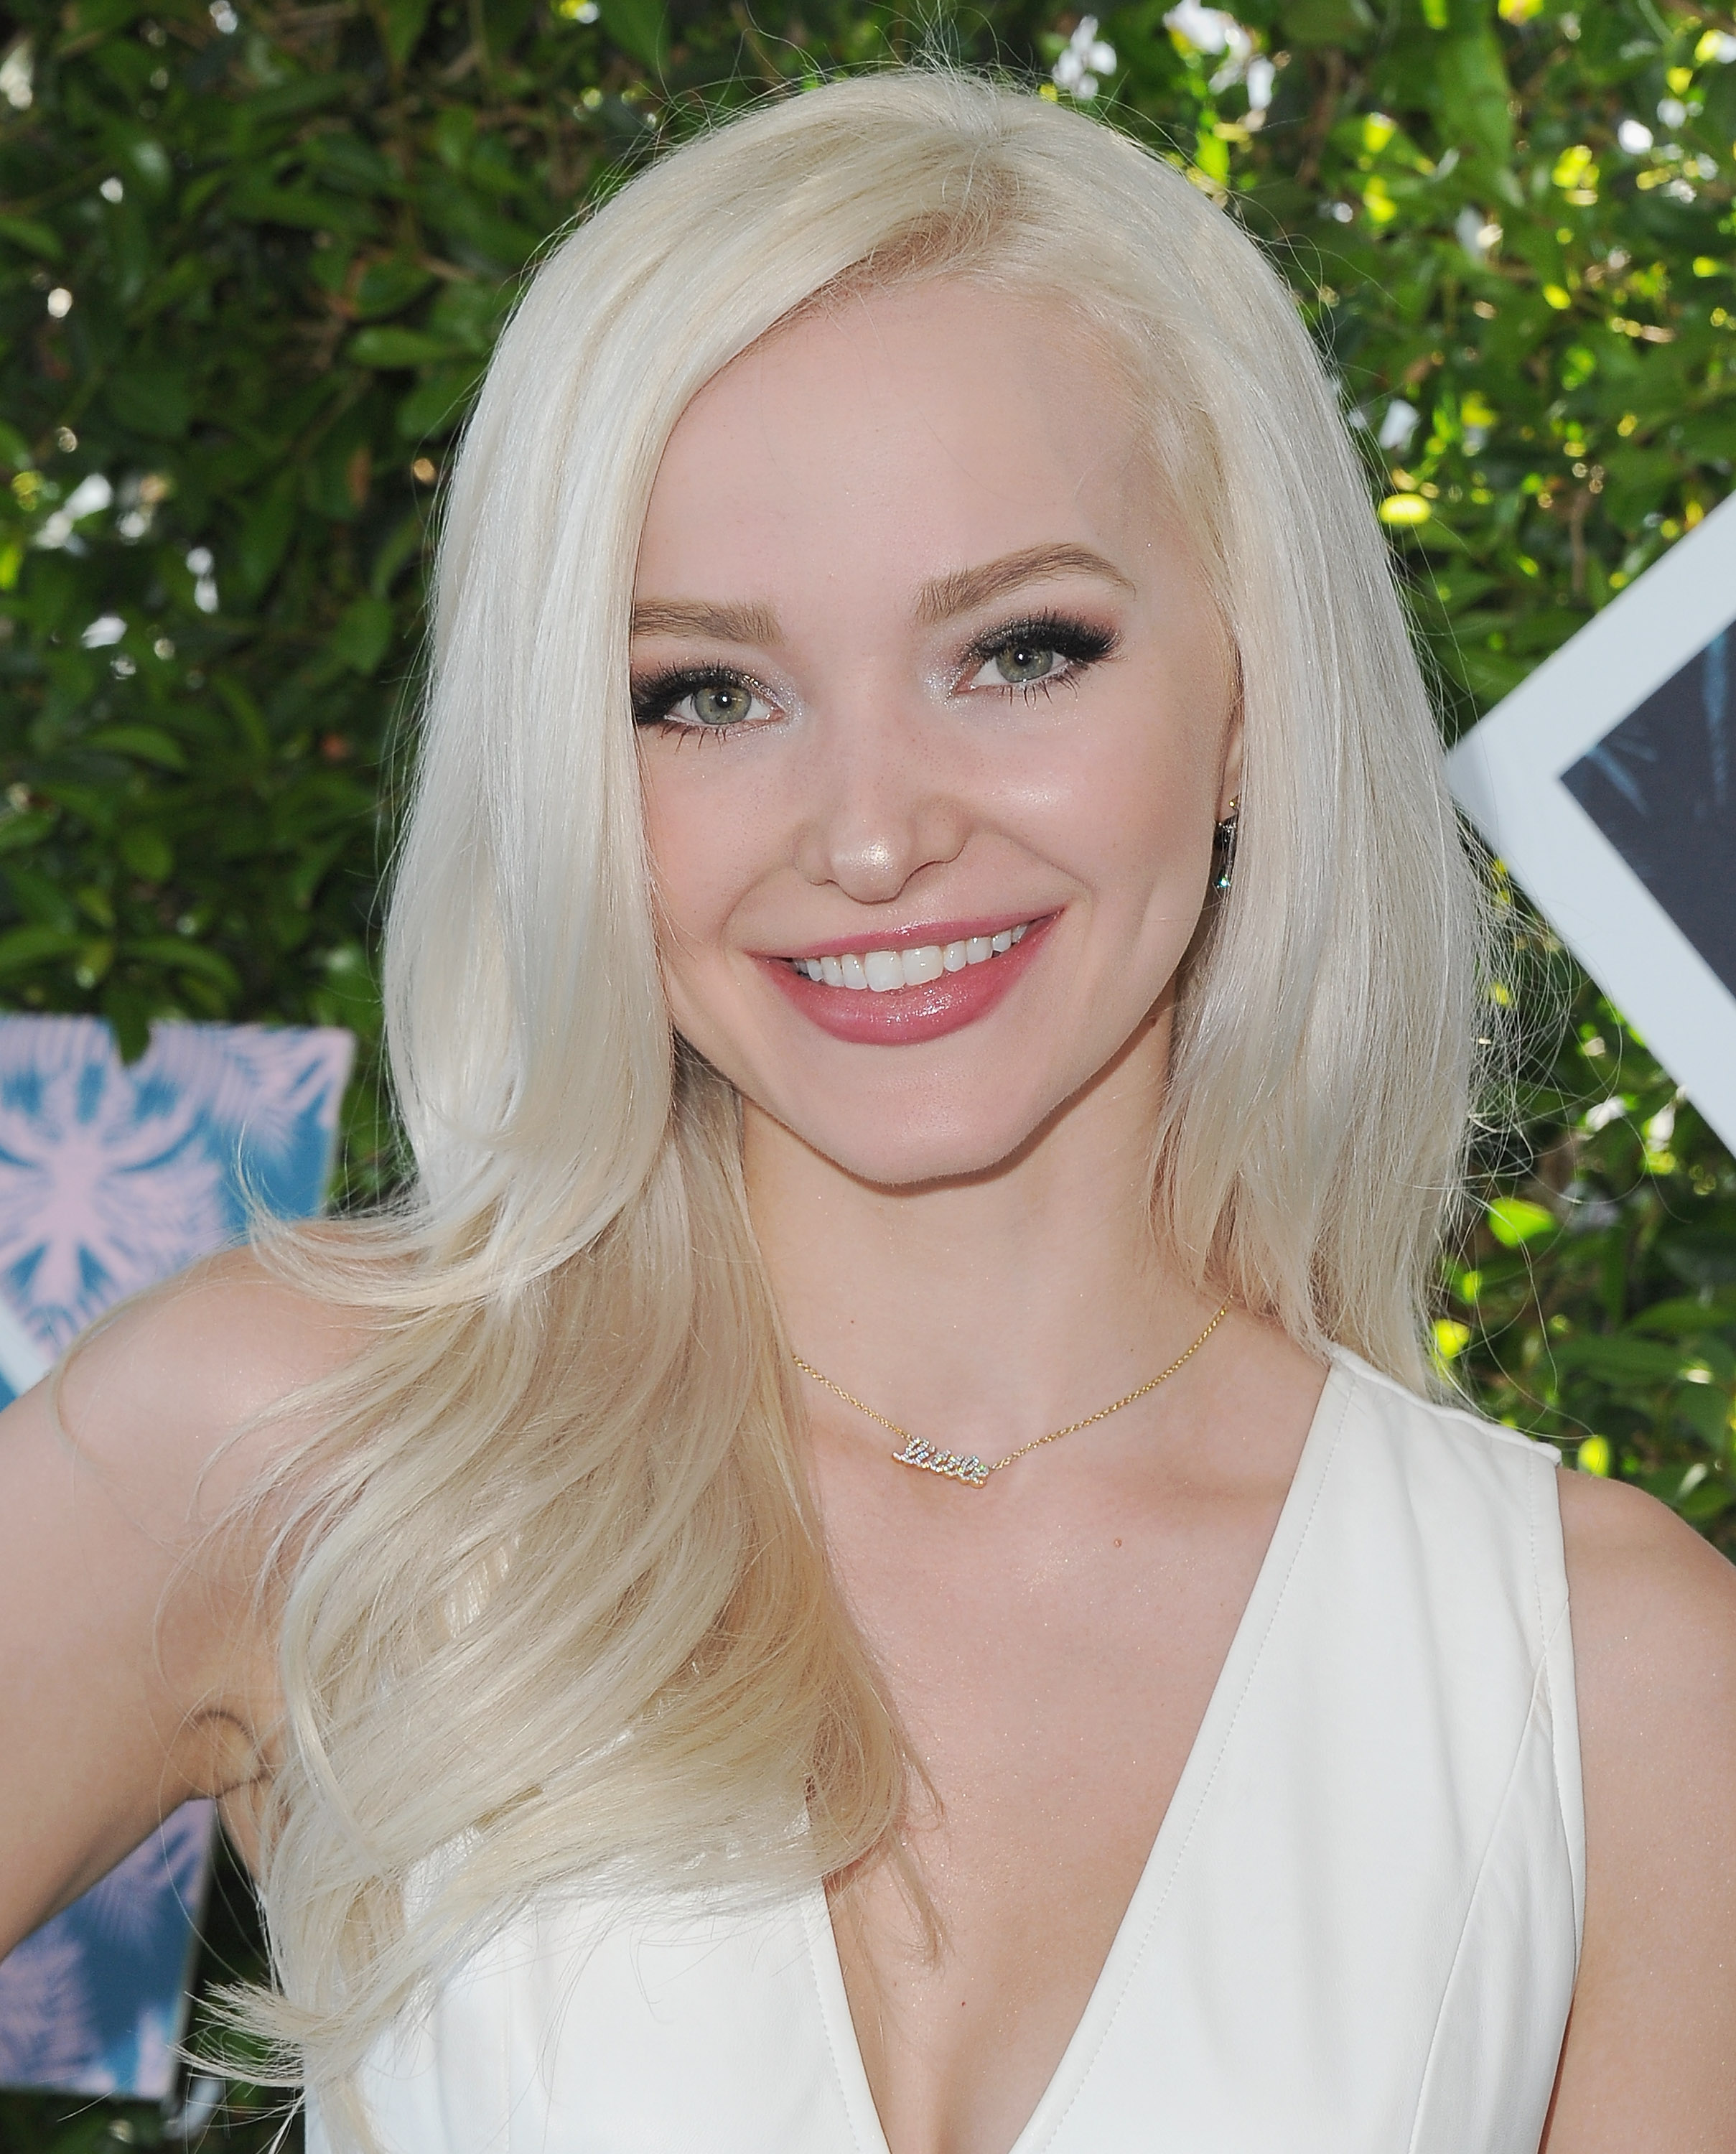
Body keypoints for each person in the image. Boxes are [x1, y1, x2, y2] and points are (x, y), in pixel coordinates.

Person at [5, 67, 1736, 2154]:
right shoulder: (287, 1444)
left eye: (1019, 651)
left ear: (1252, 697)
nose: (874, 836)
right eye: (702, 692)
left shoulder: (1607, 1682)